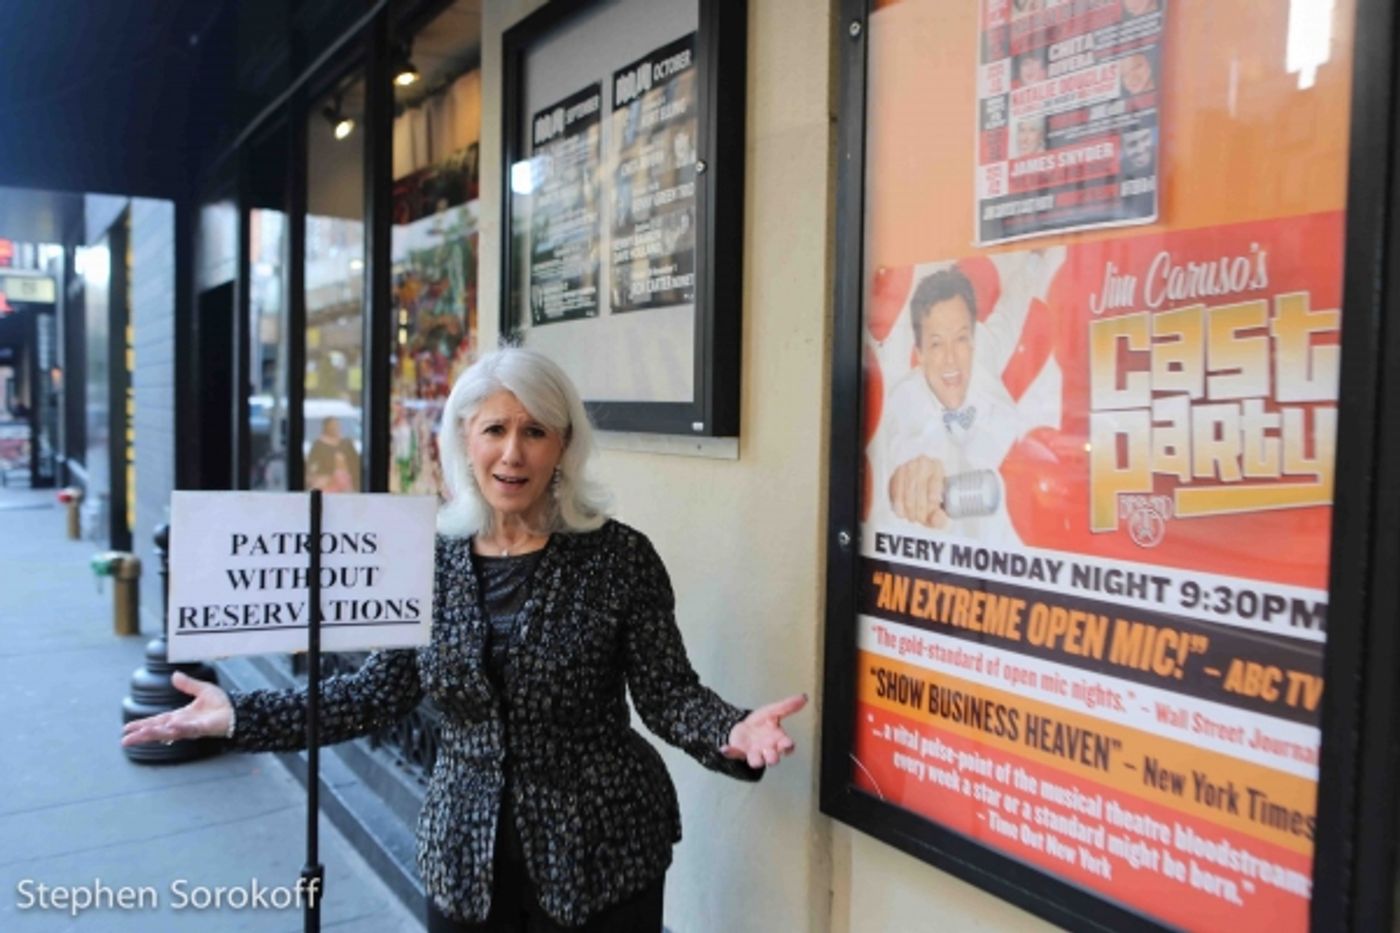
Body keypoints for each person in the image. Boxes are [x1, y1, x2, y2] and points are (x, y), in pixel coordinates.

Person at [122, 347, 805, 932]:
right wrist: (240, 714)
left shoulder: (618, 557)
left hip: (604, 845)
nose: (513, 451)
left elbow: (667, 692)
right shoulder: (424, 556)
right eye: (495, 429)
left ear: (564, 444)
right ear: (464, 440)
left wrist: (732, 729)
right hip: (464, 846)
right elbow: (374, 693)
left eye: (535, 430)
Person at [882, 266, 1026, 540]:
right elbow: (907, 446)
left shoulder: (983, 353)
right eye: (936, 344)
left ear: (973, 341)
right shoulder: (905, 399)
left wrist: (1035, 257)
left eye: (960, 339)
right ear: (920, 354)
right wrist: (914, 478)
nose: (950, 359)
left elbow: (1010, 312)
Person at [306, 415, 361, 492]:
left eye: (336, 425)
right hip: (326, 481)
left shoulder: (347, 443)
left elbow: (355, 462)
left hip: (346, 481)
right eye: (332, 425)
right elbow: (313, 465)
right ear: (326, 427)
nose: (335, 428)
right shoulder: (318, 445)